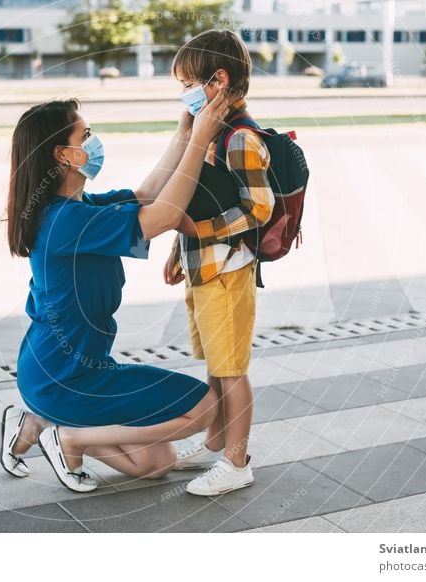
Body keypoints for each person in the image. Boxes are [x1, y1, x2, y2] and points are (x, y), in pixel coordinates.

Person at [1, 92, 230, 493]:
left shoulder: (78, 207)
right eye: (85, 134)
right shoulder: (68, 221)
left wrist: (184, 132)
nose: (93, 142)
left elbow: (146, 197)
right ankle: (68, 437)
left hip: (62, 373)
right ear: (64, 155)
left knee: (155, 462)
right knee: (205, 407)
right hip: (69, 377)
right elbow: (165, 216)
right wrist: (201, 140)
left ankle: (42, 421)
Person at [165, 30, 275, 496]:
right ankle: (217, 446)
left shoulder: (239, 139)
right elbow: (202, 197)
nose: (184, 92)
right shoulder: (210, 133)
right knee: (215, 362)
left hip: (228, 270)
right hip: (205, 268)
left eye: (190, 81)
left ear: (219, 80)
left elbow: (259, 207)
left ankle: (236, 461)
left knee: (231, 370)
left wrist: (199, 234)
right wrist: (179, 248)